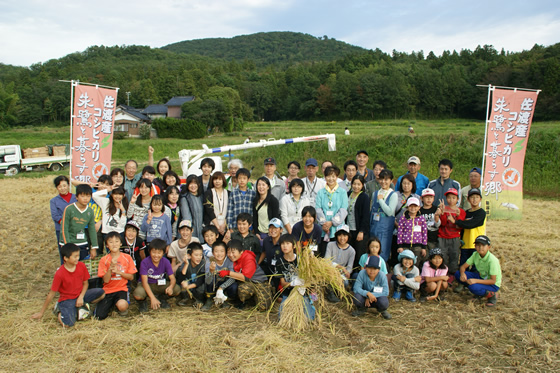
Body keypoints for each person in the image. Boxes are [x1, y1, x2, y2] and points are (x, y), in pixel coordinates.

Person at [31, 243, 105, 327]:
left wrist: (81, 297)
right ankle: (59, 310)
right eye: (75, 256)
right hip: (67, 299)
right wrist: (41, 313)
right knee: (68, 324)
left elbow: (85, 284)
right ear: (65, 258)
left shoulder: (81, 266)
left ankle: (81, 306)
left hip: (80, 295)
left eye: (78, 255)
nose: (78, 258)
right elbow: (51, 294)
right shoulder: (60, 273)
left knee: (102, 293)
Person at [219, 239, 273, 311]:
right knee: (242, 290)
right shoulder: (231, 259)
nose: (230, 255)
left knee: (263, 307)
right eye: (228, 252)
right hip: (247, 283)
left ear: (241, 251)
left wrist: (228, 273)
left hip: (259, 282)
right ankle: (244, 301)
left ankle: (264, 293)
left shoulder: (248, 258)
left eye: (233, 252)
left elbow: (246, 277)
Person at [95, 232, 137, 319]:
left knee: (122, 305)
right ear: (107, 245)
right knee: (99, 316)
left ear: (121, 243)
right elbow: (105, 280)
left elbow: (131, 277)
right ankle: (111, 305)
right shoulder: (104, 260)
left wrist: (119, 272)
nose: (114, 244)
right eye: (110, 242)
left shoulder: (127, 257)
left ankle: (119, 307)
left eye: (116, 241)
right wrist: (110, 268)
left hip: (122, 289)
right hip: (108, 290)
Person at [133, 239, 181, 312]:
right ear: (149, 252)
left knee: (176, 289)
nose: (156, 255)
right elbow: (144, 282)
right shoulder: (145, 262)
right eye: (154, 252)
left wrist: (171, 287)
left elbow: (172, 279)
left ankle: (162, 298)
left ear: (163, 253)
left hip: (159, 284)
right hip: (146, 284)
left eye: (159, 253)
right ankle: (143, 302)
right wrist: (152, 298)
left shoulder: (166, 261)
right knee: (138, 294)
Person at [455, 235, 501, 307]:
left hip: (492, 285)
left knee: (472, 286)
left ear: (489, 247)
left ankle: (492, 295)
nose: (480, 247)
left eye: (483, 245)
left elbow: (493, 281)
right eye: (477, 245)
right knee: (457, 274)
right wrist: (462, 274)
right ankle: (479, 292)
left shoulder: (492, 260)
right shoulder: (475, 254)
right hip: (482, 277)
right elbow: (463, 267)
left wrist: (475, 281)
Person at [316, 165, 349, 257]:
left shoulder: (342, 192)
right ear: (325, 177)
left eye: (333, 176)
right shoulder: (321, 192)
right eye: (328, 176)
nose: (331, 179)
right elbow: (318, 209)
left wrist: (332, 222)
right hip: (324, 229)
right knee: (323, 253)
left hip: (337, 228)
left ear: (337, 177)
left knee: (336, 254)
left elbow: (343, 210)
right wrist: (324, 223)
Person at [60, 184, 99, 261]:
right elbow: (64, 228)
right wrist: (67, 245)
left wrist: (94, 247)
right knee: (70, 266)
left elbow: (92, 230)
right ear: (77, 197)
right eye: (82, 196)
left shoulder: (90, 211)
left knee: (83, 265)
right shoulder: (69, 209)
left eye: (88, 196)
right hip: (69, 242)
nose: (85, 199)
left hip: (82, 242)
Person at [435, 188, 466, 280]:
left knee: (454, 255)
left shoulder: (461, 211)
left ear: (457, 199)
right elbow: (443, 224)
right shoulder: (443, 208)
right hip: (442, 236)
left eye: (453, 198)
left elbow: (460, 226)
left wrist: (456, 218)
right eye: (448, 198)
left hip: (454, 237)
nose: (451, 200)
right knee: (442, 255)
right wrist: (443, 213)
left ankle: (452, 274)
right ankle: (442, 273)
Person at [369, 169, 398, 263]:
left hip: (385, 229)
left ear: (391, 181)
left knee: (383, 251)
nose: (383, 182)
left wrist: (381, 200)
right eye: (381, 179)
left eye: (386, 179)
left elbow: (390, 212)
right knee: (372, 250)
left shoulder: (393, 195)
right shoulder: (375, 193)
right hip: (374, 227)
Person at [455, 188, 487, 272]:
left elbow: (470, 224)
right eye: (472, 197)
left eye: (477, 197)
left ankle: (472, 283)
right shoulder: (466, 213)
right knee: (463, 266)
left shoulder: (481, 213)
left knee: (475, 268)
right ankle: (462, 282)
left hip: (476, 245)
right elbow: (462, 228)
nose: (474, 199)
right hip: (465, 244)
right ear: (468, 200)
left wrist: (456, 222)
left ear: (480, 199)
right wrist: (460, 240)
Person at [204, 241, 237, 311]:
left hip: (224, 285)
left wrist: (221, 288)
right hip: (214, 285)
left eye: (222, 251)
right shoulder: (209, 261)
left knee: (234, 286)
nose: (219, 254)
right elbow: (207, 281)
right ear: (213, 253)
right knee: (210, 280)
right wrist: (211, 271)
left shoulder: (229, 261)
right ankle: (209, 299)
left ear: (225, 252)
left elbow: (233, 278)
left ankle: (226, 299)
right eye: (216, 251)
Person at [396, 197, 428, 269]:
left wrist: (423, 247)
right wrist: (400, 246)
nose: (413, 208)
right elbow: (400, 232)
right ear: (407, 207)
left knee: (415, 263)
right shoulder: (403, 218)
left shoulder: (421, 219)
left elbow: (424, 233)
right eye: (411, 206)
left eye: (415, 206)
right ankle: (404, 276)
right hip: (405, 245)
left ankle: (414, 277)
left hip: (417, 246)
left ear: (419, 207)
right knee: (404, 262)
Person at [50, 175, 77, 259]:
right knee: (65, 252)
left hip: (76, 229)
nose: (63, 188)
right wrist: (65, 223)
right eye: (60, 186)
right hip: (61, 230)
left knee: (76, 251)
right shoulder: (54, 201)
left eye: (64, 186)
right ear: (57, 188)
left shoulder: (76, 197)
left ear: (68, 185)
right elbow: (55, 216)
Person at [347, 175, 370, 270]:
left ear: (362, 185)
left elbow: (365, 216)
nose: (356, 186)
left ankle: (357, 273)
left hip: (358, 230)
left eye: (358, 184)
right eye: (354, 184)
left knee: (358, 253)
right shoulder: (348, 194)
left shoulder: (364, 197)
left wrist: (362, 231)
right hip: (348, 228)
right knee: (349, 252)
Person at [324, 225, 355, 293]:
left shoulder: (351, 251)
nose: (342, 238)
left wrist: (346, 272)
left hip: (341, 273)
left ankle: (336, 292)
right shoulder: (330, 245)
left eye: (344, 235)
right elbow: (326, 261)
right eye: (340, 235)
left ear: (348, 236)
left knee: (345, 283)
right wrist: (339, 266)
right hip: (329, 270)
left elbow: (349, 268)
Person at [176, 242, 207, 307]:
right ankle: (186, 298)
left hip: (196, 286)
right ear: (189, 255)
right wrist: (186, 264)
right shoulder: (186, 263)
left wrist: (189, 287)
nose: (199, 257)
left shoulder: (203, 263)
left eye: (201, 255)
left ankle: (199, 300)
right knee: (182, 284)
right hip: (188, 286)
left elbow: (200, 280)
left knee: (202, 288)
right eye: (196, 255)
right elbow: (180, 278)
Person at [253, 176, 280, 242]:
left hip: (270, 233)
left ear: (268, 187)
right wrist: (256, 232)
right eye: (259, 185)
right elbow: (255, 217)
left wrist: (272, 232)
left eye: (263, 185)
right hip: (260, 233)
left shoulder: (273, 200)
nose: (261, 187)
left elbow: (275, 218)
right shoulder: (255, 200)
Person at [203, 171, 229, 238]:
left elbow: (229, 210)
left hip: (225, 226)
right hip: (212, 225)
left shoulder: (228, 193)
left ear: (223, 181)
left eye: (220, 179)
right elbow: (209, 210)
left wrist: (224, 225)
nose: (217, 181)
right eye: (215, 179)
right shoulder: (208, 193)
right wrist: (217, 226)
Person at [179, 175, 204, 242]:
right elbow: (186, 218)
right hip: (190, 233)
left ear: (198, 184)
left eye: (195, 183)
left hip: (201, 232)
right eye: (191, 183)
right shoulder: (185, 198)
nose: (193, 186)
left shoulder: (201, 197)